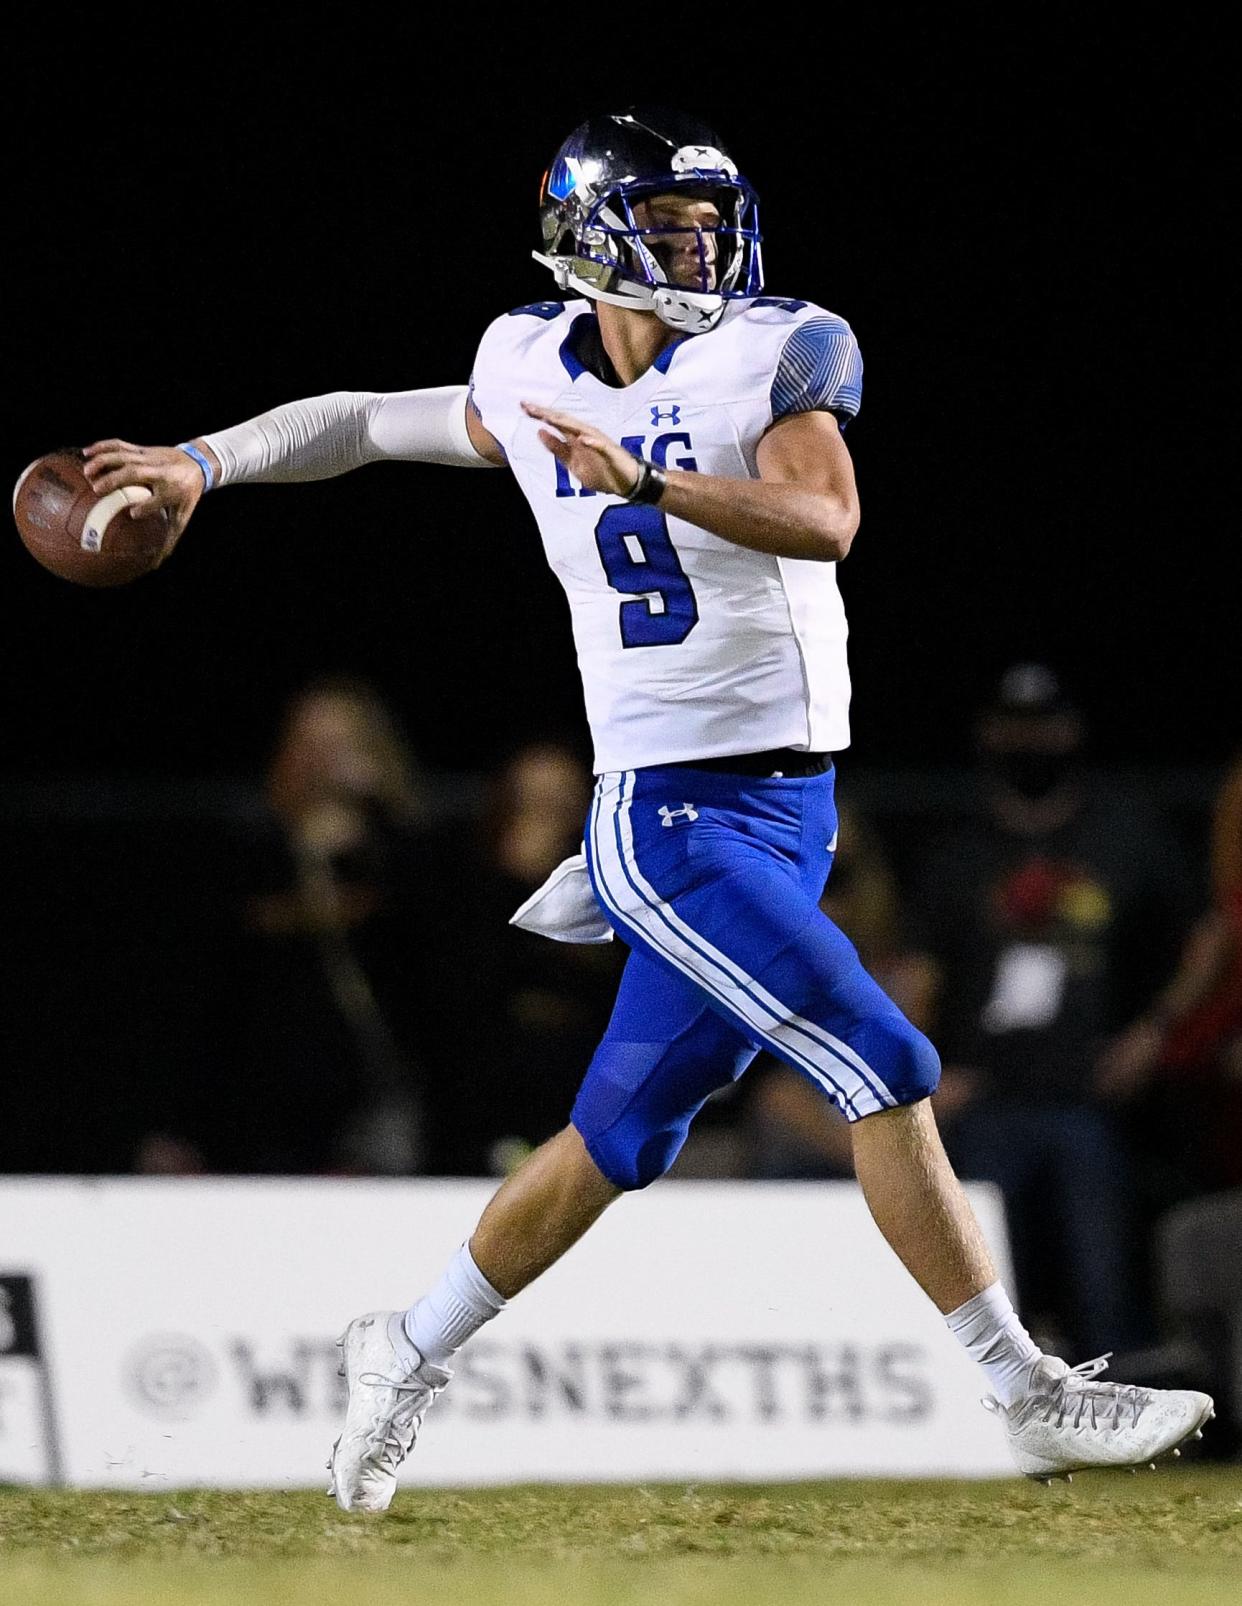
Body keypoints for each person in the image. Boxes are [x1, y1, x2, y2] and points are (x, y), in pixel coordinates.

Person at [79, 106, 1213, 1508]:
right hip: (668, 814)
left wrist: (650, 480)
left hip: (793, 811)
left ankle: (402, 1344)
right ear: (582, 239)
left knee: (621, 1136)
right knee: (885, 1057)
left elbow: (826, 520)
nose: (697, 247)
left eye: (705, 223)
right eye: (665, 226)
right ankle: (1019, 1384)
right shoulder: (523, 362)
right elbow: (373, 425)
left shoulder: (775, 347)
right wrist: (204, 461)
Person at [911, 664, 1193, 1357]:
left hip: (1087, 1099)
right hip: (985, 1097)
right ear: (989, 734)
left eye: (1043, 726)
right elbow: (918, 976)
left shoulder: (1125, 836)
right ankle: (970, 1409)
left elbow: (1202, 936)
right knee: (980, 1280)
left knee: (1103, 1278)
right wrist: (922, 1076)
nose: (1029, 741)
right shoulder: (959, 853)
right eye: (1014, 727)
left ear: (1070, 732)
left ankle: (1124, 1403)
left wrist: (1152, 1033)